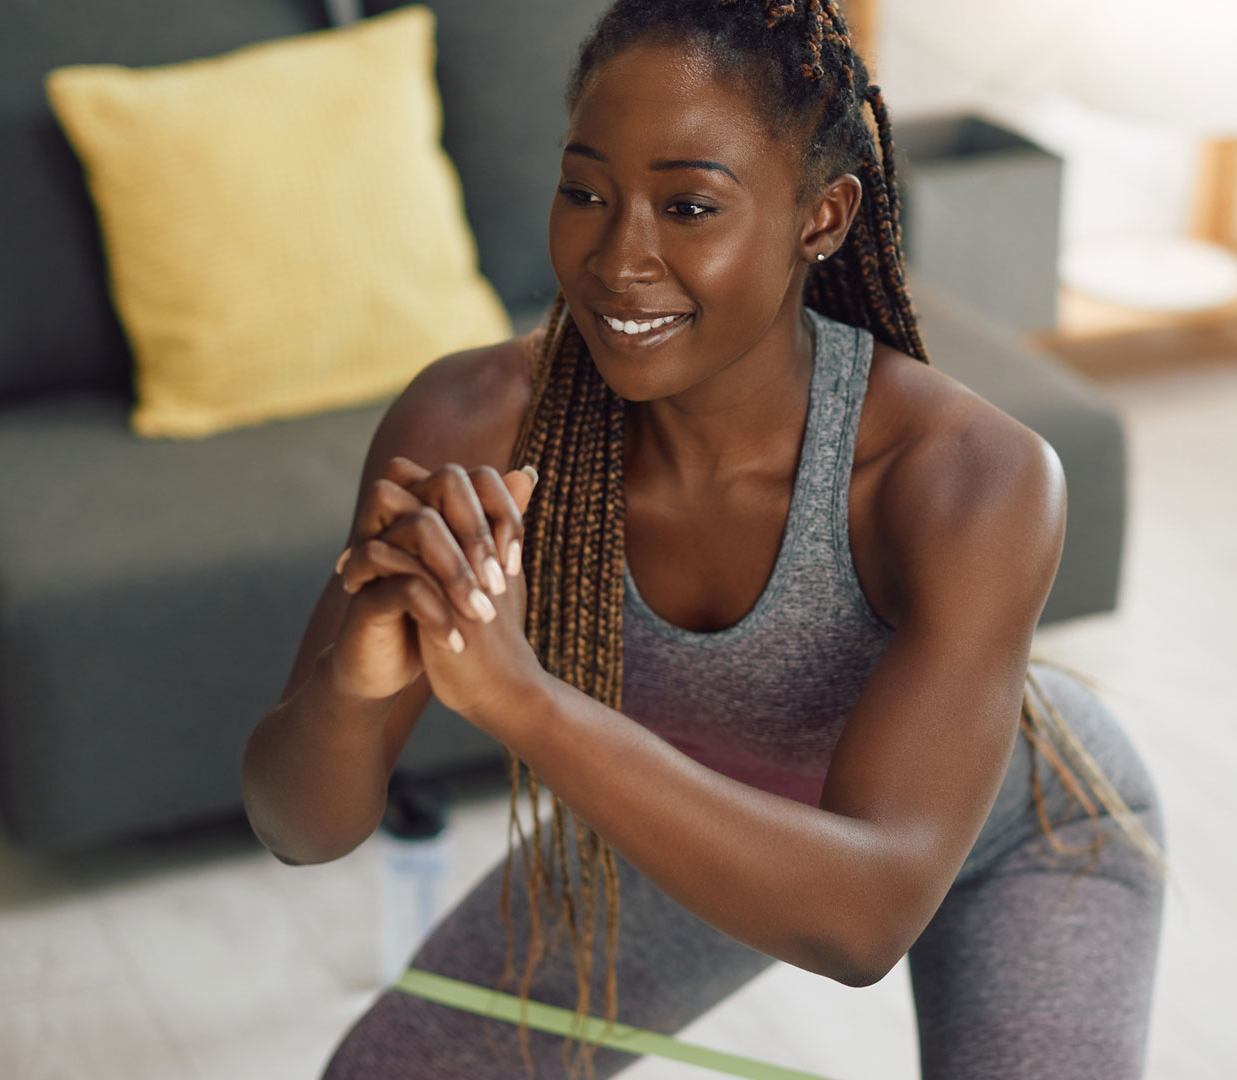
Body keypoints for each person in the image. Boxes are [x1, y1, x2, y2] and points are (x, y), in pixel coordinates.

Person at [240, 1, 1169, 1076]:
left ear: (820, 219)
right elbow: (298, 828)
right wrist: (351, 686)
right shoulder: (473, 426)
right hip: (698, 798)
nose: (617, 257)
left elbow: (864, 919)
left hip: (1023, 837)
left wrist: (520, 700)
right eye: (585, 192)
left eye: (688, 206)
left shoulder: (967, 477)